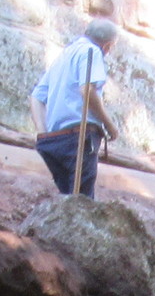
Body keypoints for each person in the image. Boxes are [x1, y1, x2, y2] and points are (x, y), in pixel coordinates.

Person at [30, 18, 120, 199]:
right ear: (107, 46)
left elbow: (36, 97)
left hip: (54, 140)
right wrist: (110, 126)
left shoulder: (64, 55)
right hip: (78, 137)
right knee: (81, 202)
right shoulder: (92, 51)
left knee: (67, 200)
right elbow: (87, 90)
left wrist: (43, 133)